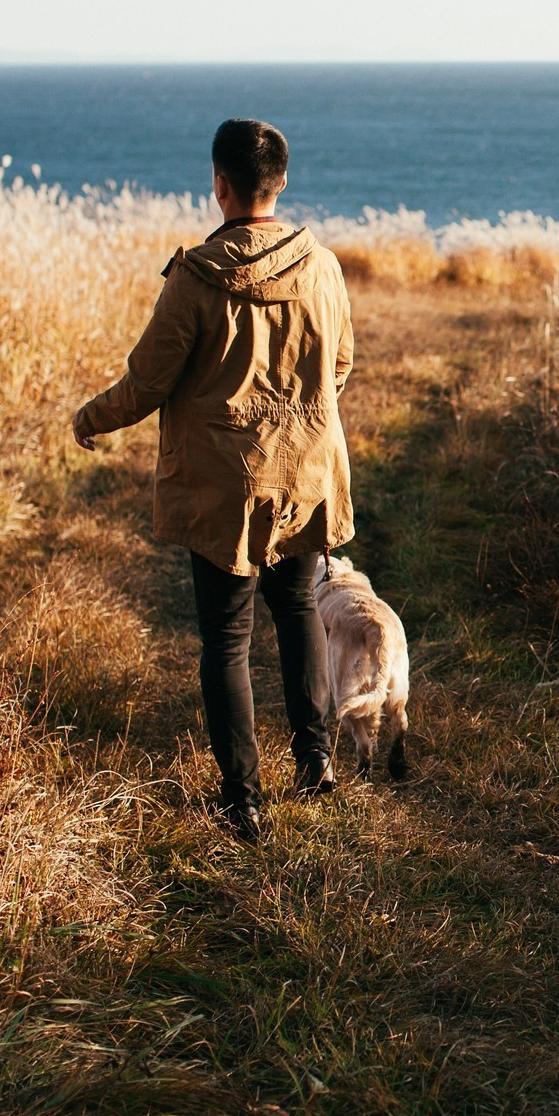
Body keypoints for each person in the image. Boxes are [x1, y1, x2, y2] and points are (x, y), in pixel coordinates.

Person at [73, 118, 355, 840]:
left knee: (227, 637)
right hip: (304, 470)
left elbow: (147, 381)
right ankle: (315, 762)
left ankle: (242, 798)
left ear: (219, 184)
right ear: (281, 182)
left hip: (225, 488)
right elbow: (343, 362)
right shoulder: (322, 264)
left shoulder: (197, 278)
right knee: (297, 612)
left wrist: (92, 418)